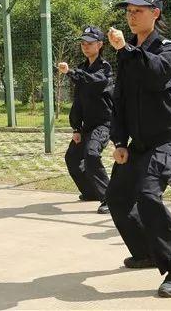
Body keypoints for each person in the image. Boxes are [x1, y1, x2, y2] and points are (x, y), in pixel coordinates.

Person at [105, 0, 171, 298]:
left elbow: (156, 73)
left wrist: (127, 51)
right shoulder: (126, 52)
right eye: (128, 11)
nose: (131, 16)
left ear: (155, 13)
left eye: (138, 10)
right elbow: (121, 100)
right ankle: (145, 252)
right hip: (139, 142)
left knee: (147, 195)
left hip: (168, 139)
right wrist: (119, 141)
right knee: (117, 197)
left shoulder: (167, 48)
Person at [57, 26, 113, 214]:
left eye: (89, 43)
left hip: (104, 123)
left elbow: (95, 81)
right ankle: (90, 191)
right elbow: (78, 101)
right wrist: (76, 128)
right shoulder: (81, 68)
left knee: (91, 155)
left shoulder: (105, 68)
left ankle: (110, 198)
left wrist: (71, 72)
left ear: (100, 45)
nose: (85, 46)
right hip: (87, 125)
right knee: (72, 158)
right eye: (83, 43)